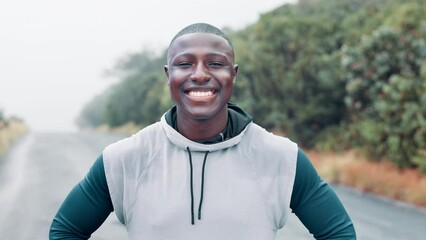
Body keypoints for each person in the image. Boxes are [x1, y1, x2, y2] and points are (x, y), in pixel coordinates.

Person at [50, 22, 356, 239]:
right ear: (168, 76)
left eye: (215, 63)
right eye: (185, 64)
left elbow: (339, 233)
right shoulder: (125, 158)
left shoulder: (281, 157)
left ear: (232, 75)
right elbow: (66, 231)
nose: (199, 75)